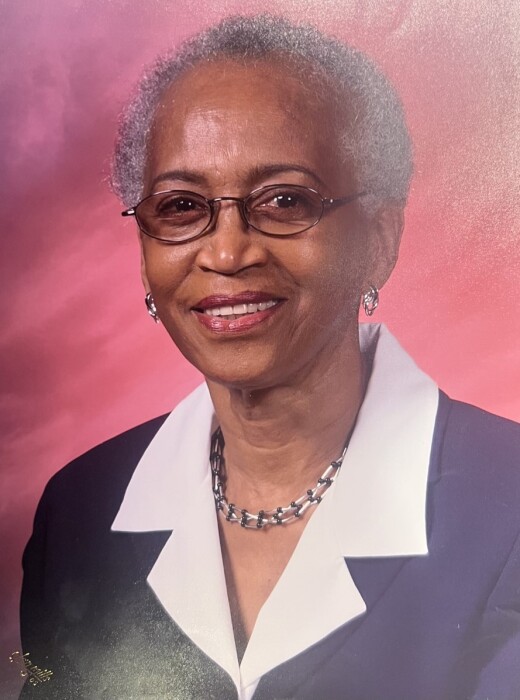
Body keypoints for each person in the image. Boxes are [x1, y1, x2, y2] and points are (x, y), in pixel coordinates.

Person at [19, 14, 520, 700]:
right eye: (181, 206)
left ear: (378, 239)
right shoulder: (77, 511)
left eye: (285, 200)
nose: (227, 252)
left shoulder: (506, 506)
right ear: (144, 253)